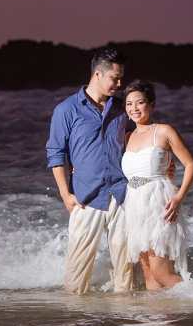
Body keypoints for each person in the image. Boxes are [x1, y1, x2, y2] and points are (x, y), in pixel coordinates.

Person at [46, 47, 134, 295]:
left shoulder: (123, 108)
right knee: (76, 276)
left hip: (122, 194)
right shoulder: (66, 109)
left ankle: (125, 315)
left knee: (126, 271)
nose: (120, 84)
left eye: (121, 78)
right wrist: (65, 195)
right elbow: (55, 153)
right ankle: (75, 316)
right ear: (97, 74)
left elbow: (138, 139)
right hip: (86, 197)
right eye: (115, 78)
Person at [121, 80, 193, 289]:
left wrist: (179, 197)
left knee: (162, 273)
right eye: (129, 104)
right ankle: (159, 312)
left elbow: (191, 164)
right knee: (149, 276)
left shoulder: (164, 131)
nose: (134, 108)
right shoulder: (127, 137)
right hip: (134, 205)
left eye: (140, 102)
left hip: (158, 203)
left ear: (151, 105)